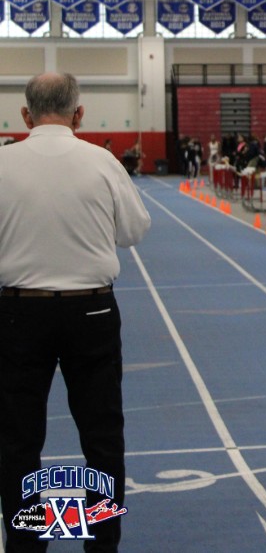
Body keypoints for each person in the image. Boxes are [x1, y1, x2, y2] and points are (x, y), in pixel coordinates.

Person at [0, 72, 151, 553]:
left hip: (19, 312)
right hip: (92, 312)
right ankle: (101, 546)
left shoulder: (2, 162)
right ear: (79, 114)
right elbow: (133, 232)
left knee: (18, 440)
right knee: (102, 438)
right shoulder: (102, 161)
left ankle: (25, 546)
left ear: (25, 115)